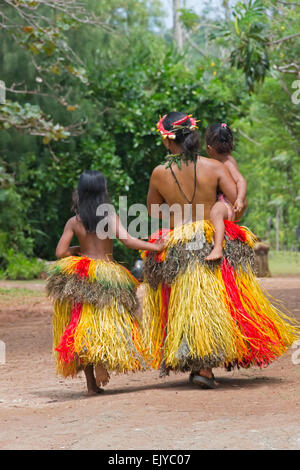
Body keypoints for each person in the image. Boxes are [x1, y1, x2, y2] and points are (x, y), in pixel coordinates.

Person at [142, 111, 299, 389]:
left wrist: (178, 223)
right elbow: (239, 206)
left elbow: (153, 209)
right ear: (192, 136)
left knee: (189, 302)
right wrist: (224, 215)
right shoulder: (214, 167)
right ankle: (203, 366)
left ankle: (202, 366)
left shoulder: (158, 173)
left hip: (180, 242)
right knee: (211, 302)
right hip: (213, 237)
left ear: (167, 142)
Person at [46, 170, 165, 396]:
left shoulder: (74, 221)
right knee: (107, 323)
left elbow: (60, 252)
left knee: (83, 324)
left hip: (83, 274)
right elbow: (128, 241)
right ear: (103, 192)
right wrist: (155, 247)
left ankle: (91, 385)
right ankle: (101, 360)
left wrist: (77, 250)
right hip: (108, 274)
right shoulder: (109, 216)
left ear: (79, 193)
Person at [205, 122, 247, 261]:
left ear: (209, 148)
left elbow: (240, 180)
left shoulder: (227, 162)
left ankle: (218, 248)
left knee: (216, 211)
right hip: (224, 201)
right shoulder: (220, 161)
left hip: (226, 204)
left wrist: (239, 199)